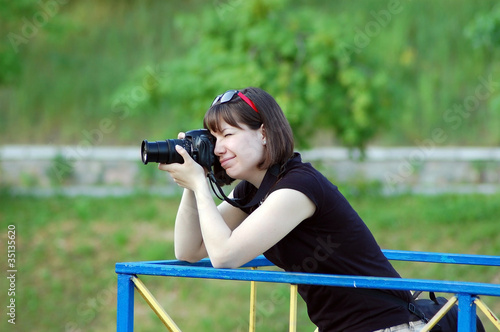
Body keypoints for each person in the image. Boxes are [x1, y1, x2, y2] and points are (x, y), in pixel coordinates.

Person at [158, 87, 426, 332]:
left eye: (228, 135)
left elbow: (224, 256)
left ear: (263, 133)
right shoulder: (253, 190)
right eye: (213, 139)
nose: (217, 149)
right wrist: (193, 176)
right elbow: (189, 250)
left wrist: (199, 184)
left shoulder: (297, 187)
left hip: (388, 325)